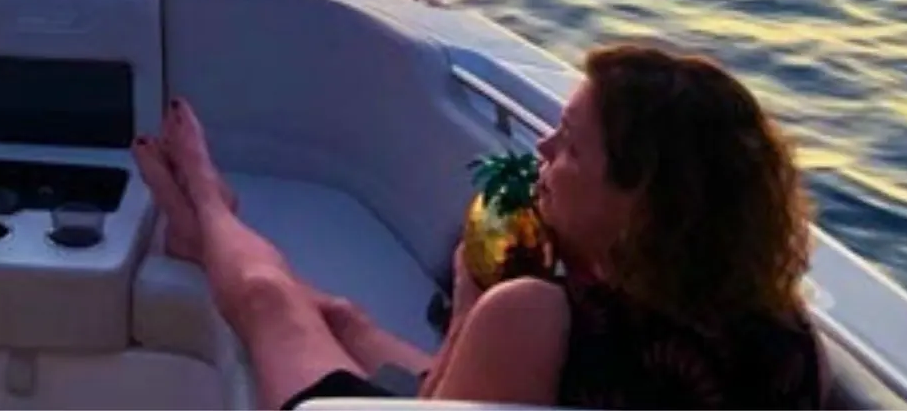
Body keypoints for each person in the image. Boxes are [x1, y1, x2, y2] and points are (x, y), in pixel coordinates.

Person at [132, 41, 829, 409]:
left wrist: (471, 302)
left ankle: (209, 206)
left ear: (641, 204)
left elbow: (434, 407)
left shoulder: (535, 315)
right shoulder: (789, 340)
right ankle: (202, 242)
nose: (544, 152)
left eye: (570, 146)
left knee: (267, 301)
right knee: (342, 316)